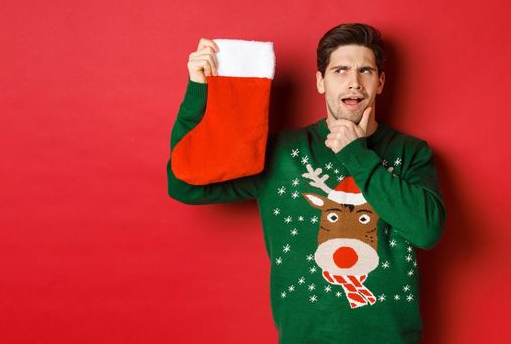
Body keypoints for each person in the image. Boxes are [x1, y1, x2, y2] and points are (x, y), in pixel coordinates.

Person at [167, 23, 446, 344]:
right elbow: (184, 184)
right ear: (320, 81)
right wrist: (198, 92)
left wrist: (357, 155)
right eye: (340, 70)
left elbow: (427, 231)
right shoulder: (283, 153)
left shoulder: (411, 153)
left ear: (379, 82)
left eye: (365, 71)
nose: (354, 82)